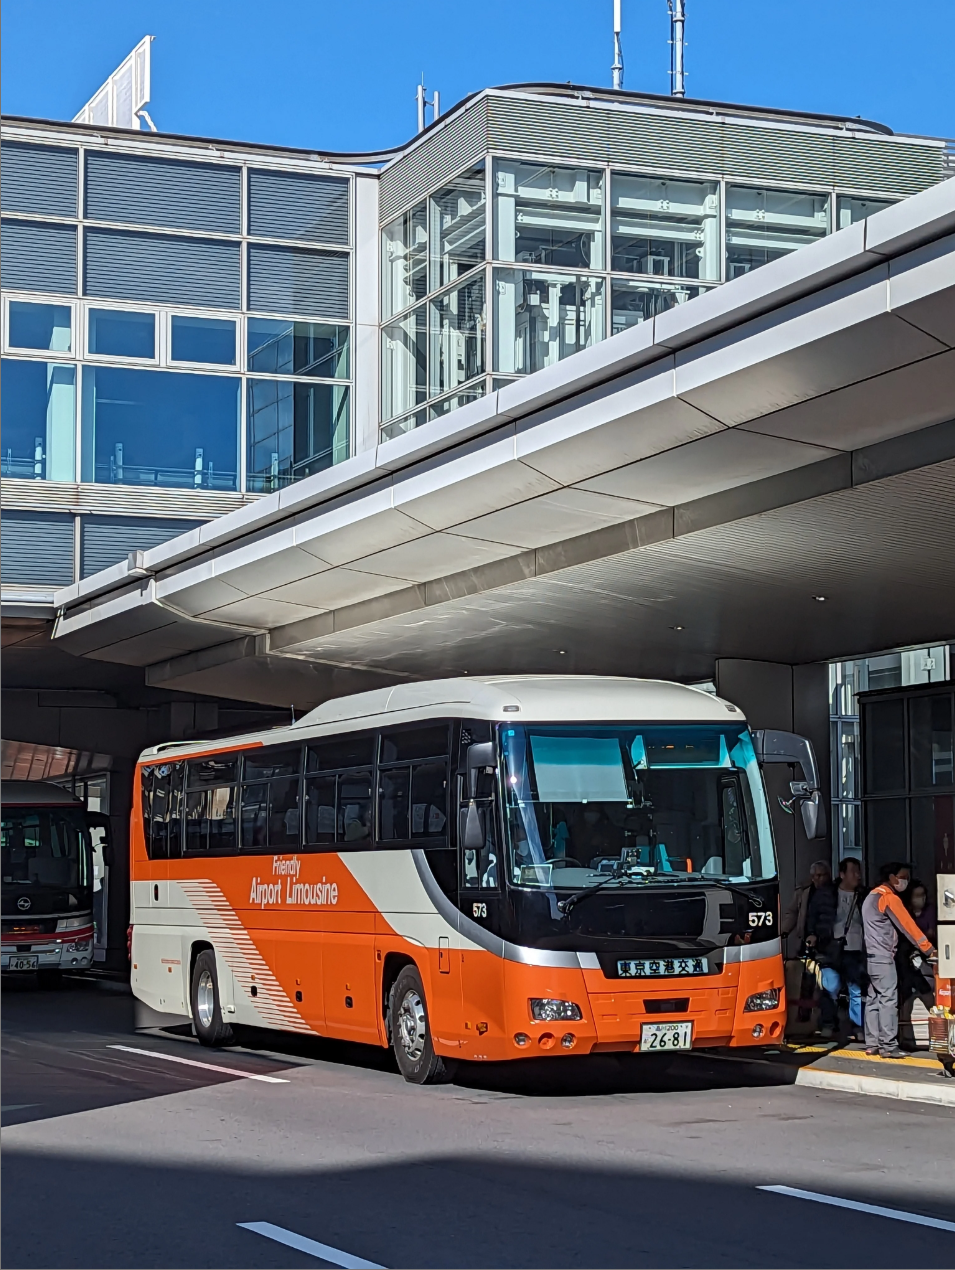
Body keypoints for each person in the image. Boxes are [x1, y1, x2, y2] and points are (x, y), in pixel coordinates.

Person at [862, 861, 936, 1058]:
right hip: (884, 956)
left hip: (871, 956)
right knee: (888, 999)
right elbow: (908, 926)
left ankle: (872, 1043)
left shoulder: (870, 896)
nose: (906, 881)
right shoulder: (888, 898)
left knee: (873, 999)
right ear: (892, 878)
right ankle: (888, 1046)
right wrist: (929, 950)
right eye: (903, 877)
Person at [805, 856, 866, 1040]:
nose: (857, 876)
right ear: (842, 874)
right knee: (829, 986)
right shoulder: (825, 894)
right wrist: (812, 934)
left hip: (855, 949)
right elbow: (812, 917)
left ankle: (858, 1027)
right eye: (852, 872)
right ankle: (828, 1024)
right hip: (830, 948)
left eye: (858, 872)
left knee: (856, 988)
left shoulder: (864, 895)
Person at [780, 859, 831, 955]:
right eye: (818, 875)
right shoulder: (803, 892)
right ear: (812, 877)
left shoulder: (833, 892)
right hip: (805, 940)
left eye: (824, 875)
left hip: (826, 941)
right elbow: (792, 912)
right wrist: (783, 931)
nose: (822, 879)